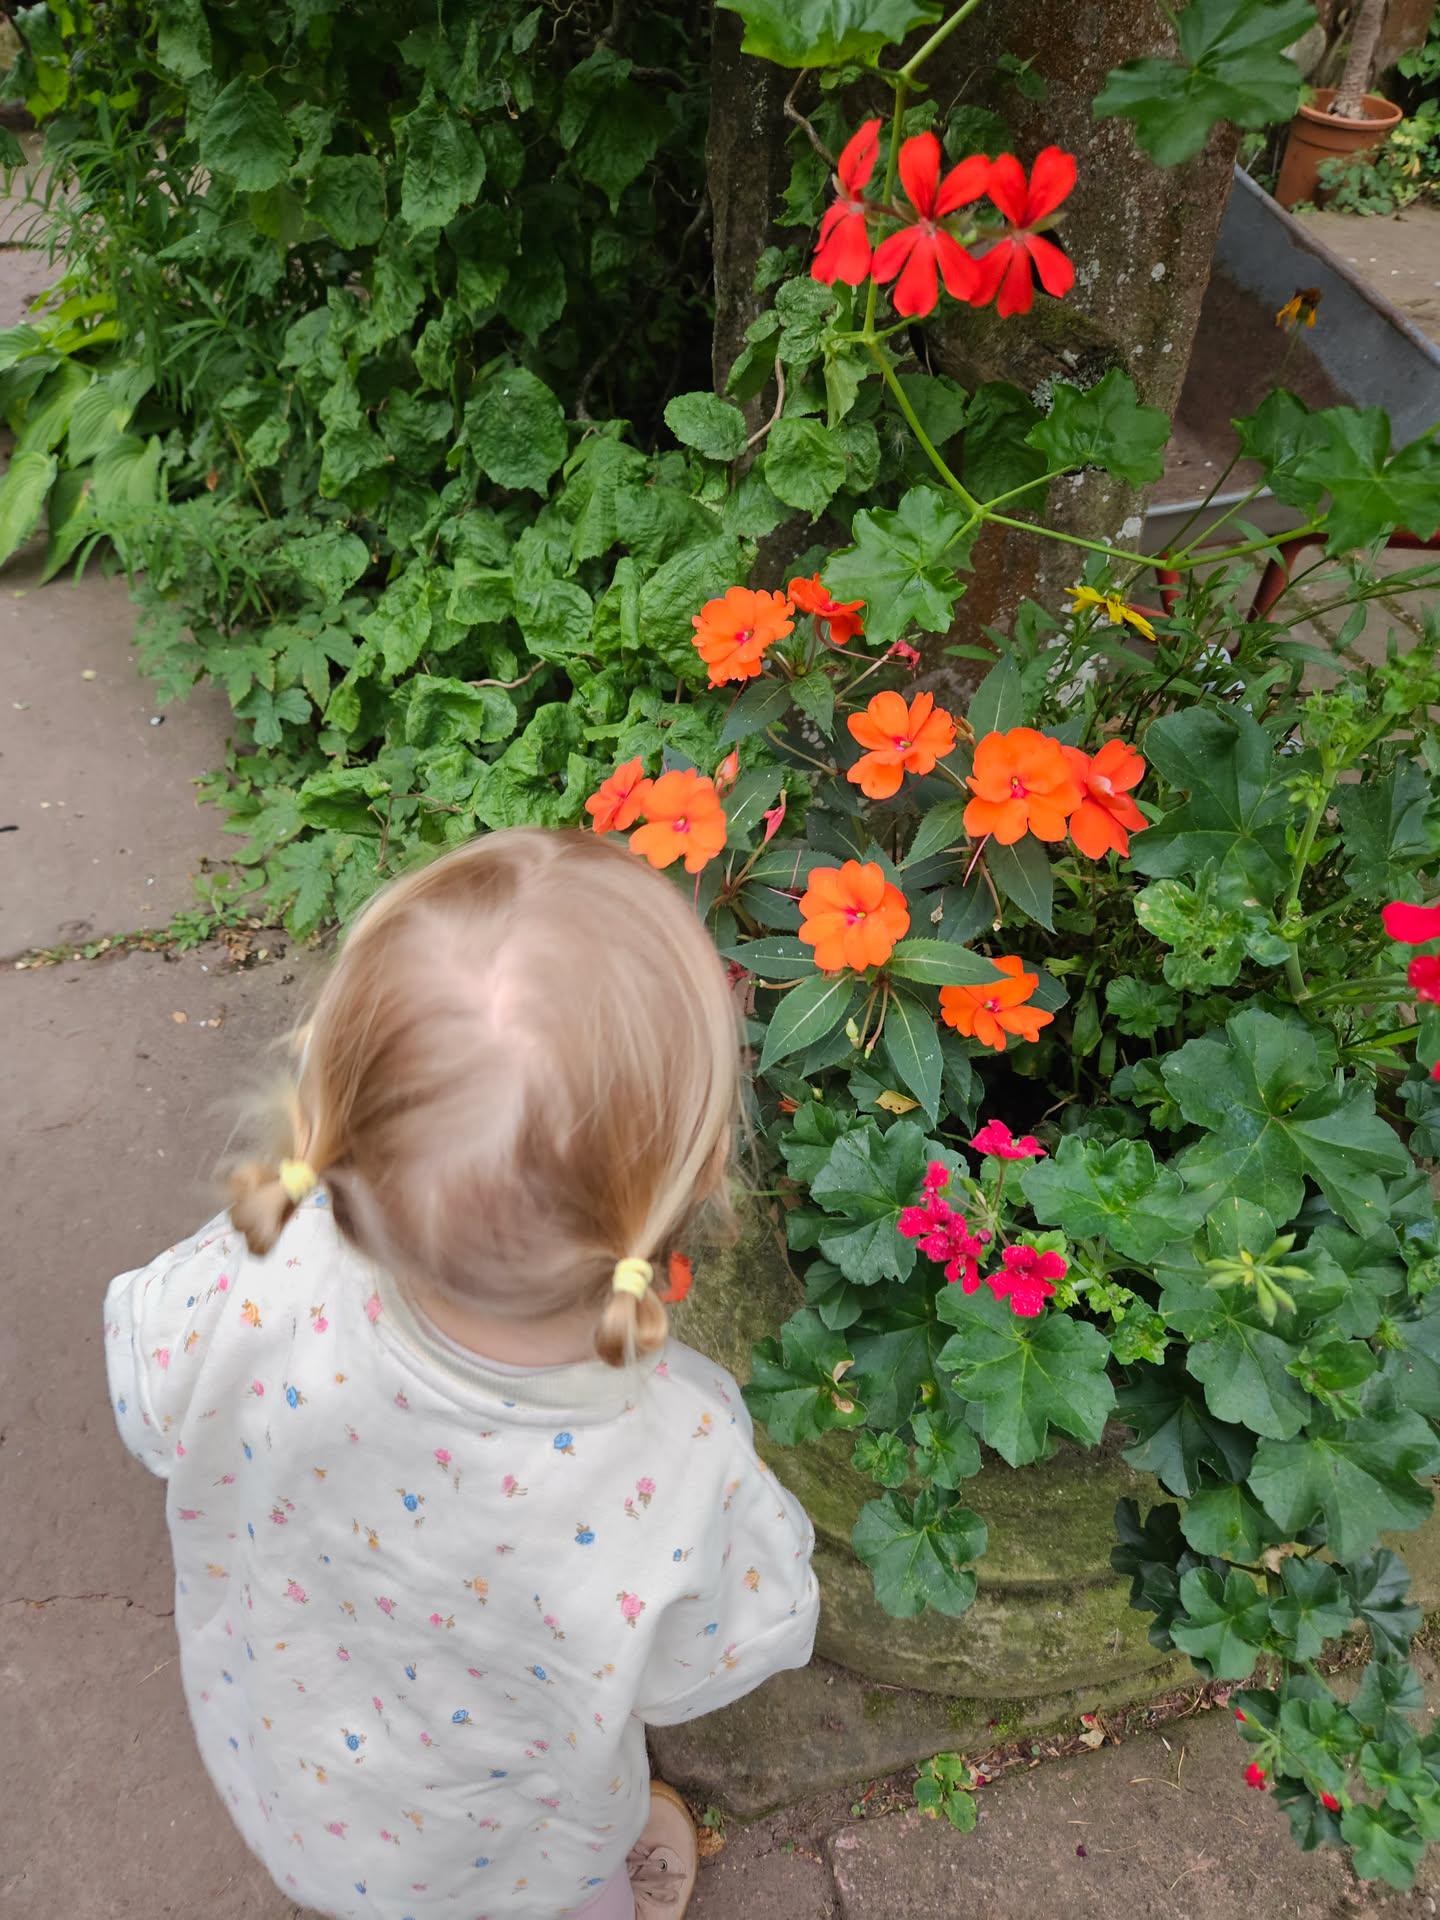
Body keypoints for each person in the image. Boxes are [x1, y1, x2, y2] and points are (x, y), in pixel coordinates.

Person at [102, 827, 819, 1920]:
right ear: (704, 1174)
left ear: (336, 1114)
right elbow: (713, 1657)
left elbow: (144, 1391)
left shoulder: (260, 1265)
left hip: (308, 1782)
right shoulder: (677, 1455)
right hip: (520, 1844)